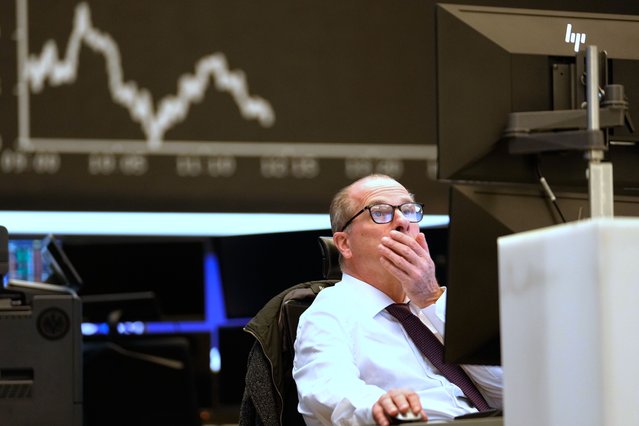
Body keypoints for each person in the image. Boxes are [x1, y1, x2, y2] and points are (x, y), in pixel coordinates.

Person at [292, 174, 503, 425]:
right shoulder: (330, 310)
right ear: (344, 244)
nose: (402, 221)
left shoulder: (442, 304)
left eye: (409, 210)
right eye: (380, 212)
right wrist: (377, 406)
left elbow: (508, 391)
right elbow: (327, 389)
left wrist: (431, 299)